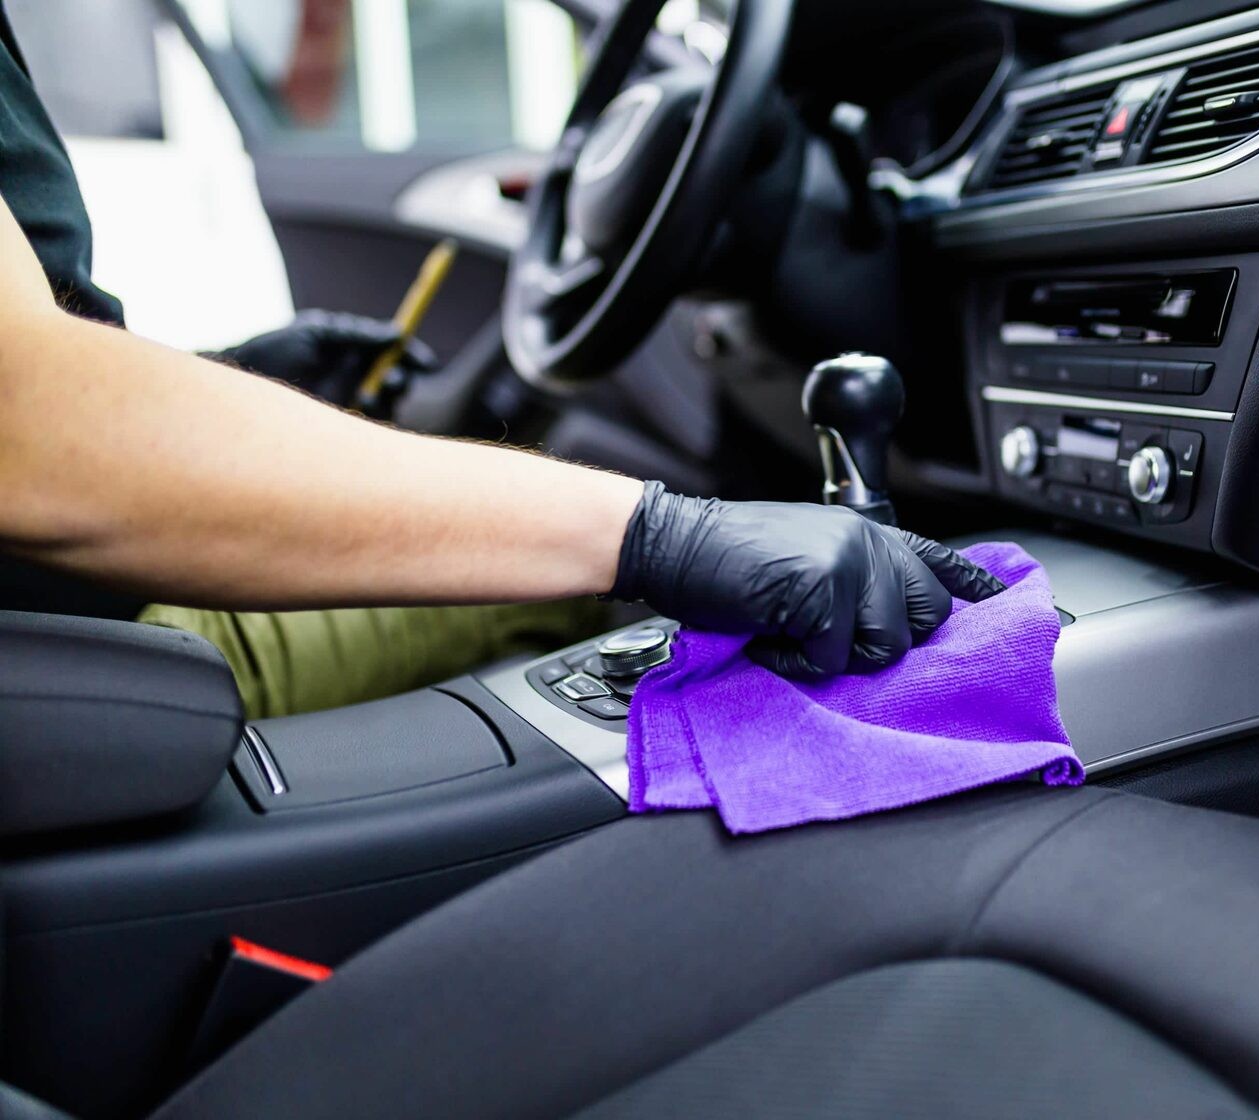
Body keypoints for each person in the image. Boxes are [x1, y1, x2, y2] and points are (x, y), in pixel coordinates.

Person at [0, 7, 1001, 708]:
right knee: (573, 592)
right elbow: (29, 425)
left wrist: (239, 370)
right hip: (98, 647)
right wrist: (658, 538)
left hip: (70, 627)